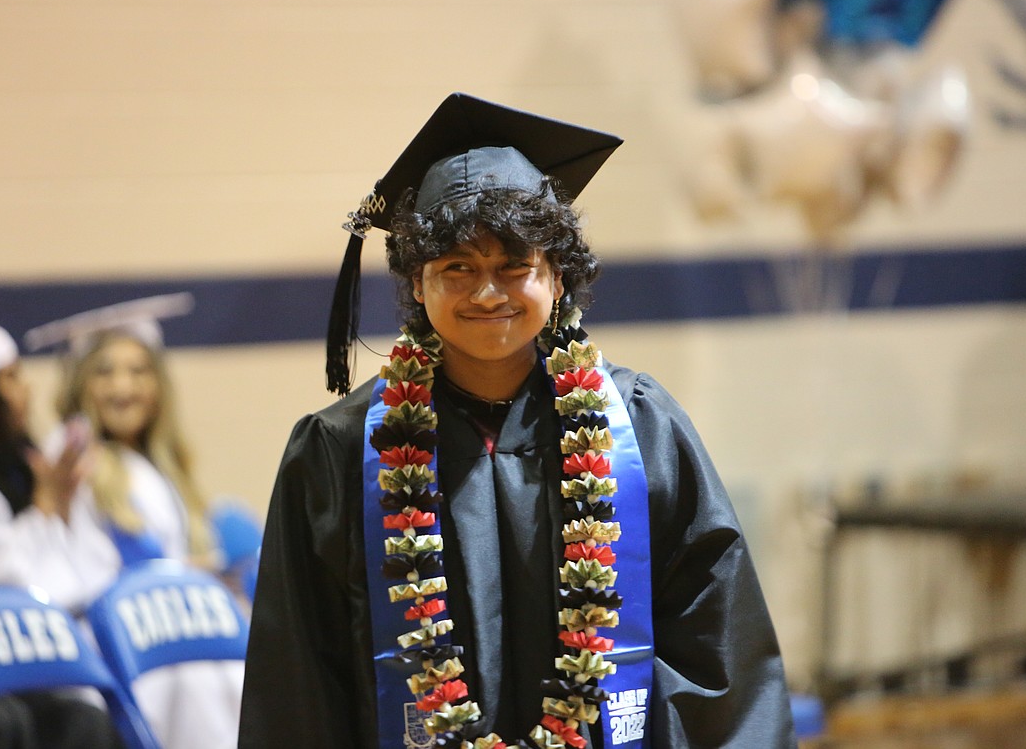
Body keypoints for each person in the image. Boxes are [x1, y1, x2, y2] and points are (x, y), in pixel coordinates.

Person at [239, 93, 796, 748]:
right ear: (418, 283)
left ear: (556, 277)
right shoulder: (337, 451)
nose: (487, 292)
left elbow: (717, 648)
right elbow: (299, 681)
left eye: (514, 266)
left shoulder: (639, 429)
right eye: (458, 269)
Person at [25, 293, 245, 749]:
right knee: (208, 684)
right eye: (104, 371)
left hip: (172, 633)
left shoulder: (155, 464)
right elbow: (72, 576)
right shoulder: (70, 457)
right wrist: (181, 575)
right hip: (119, 647)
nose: (122, 386)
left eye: (138, 371)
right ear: (80, 383)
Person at [0, 289, 127, 749]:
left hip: (46, 641)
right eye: (12, 378)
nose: (27, 391)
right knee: (11, 721)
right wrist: (45, 505)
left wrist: (59, 503)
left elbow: (87, 565)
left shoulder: (22, 461)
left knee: (85, 716)